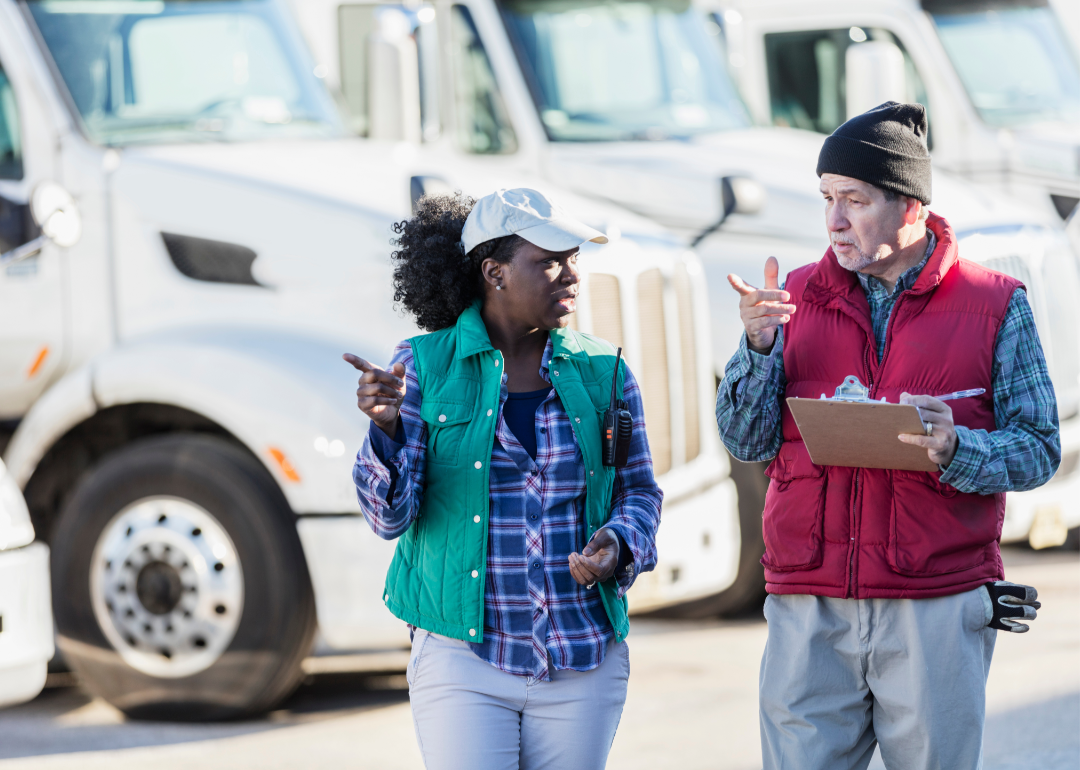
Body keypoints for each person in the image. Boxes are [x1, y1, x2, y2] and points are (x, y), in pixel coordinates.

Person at [716, 102, 1059, 769]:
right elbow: (747, 441)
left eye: (855, 200)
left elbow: (1040, 446)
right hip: (809, 606)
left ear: (910, 208)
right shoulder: (789, 299)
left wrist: (960, 449)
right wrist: (756, 349)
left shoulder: (996, 304)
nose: (835, 221)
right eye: (827, 199)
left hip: (934, 606)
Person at [346, 188, 662, 770]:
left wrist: (620, 543)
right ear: (494, 272)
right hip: (462, 656)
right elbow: (387, 519)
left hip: (581, 652)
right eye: (549, 261)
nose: (570, 275)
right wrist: (387, 429)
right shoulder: (421, 366)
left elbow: (639, 492)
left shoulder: (604, 370)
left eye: (573, 259)